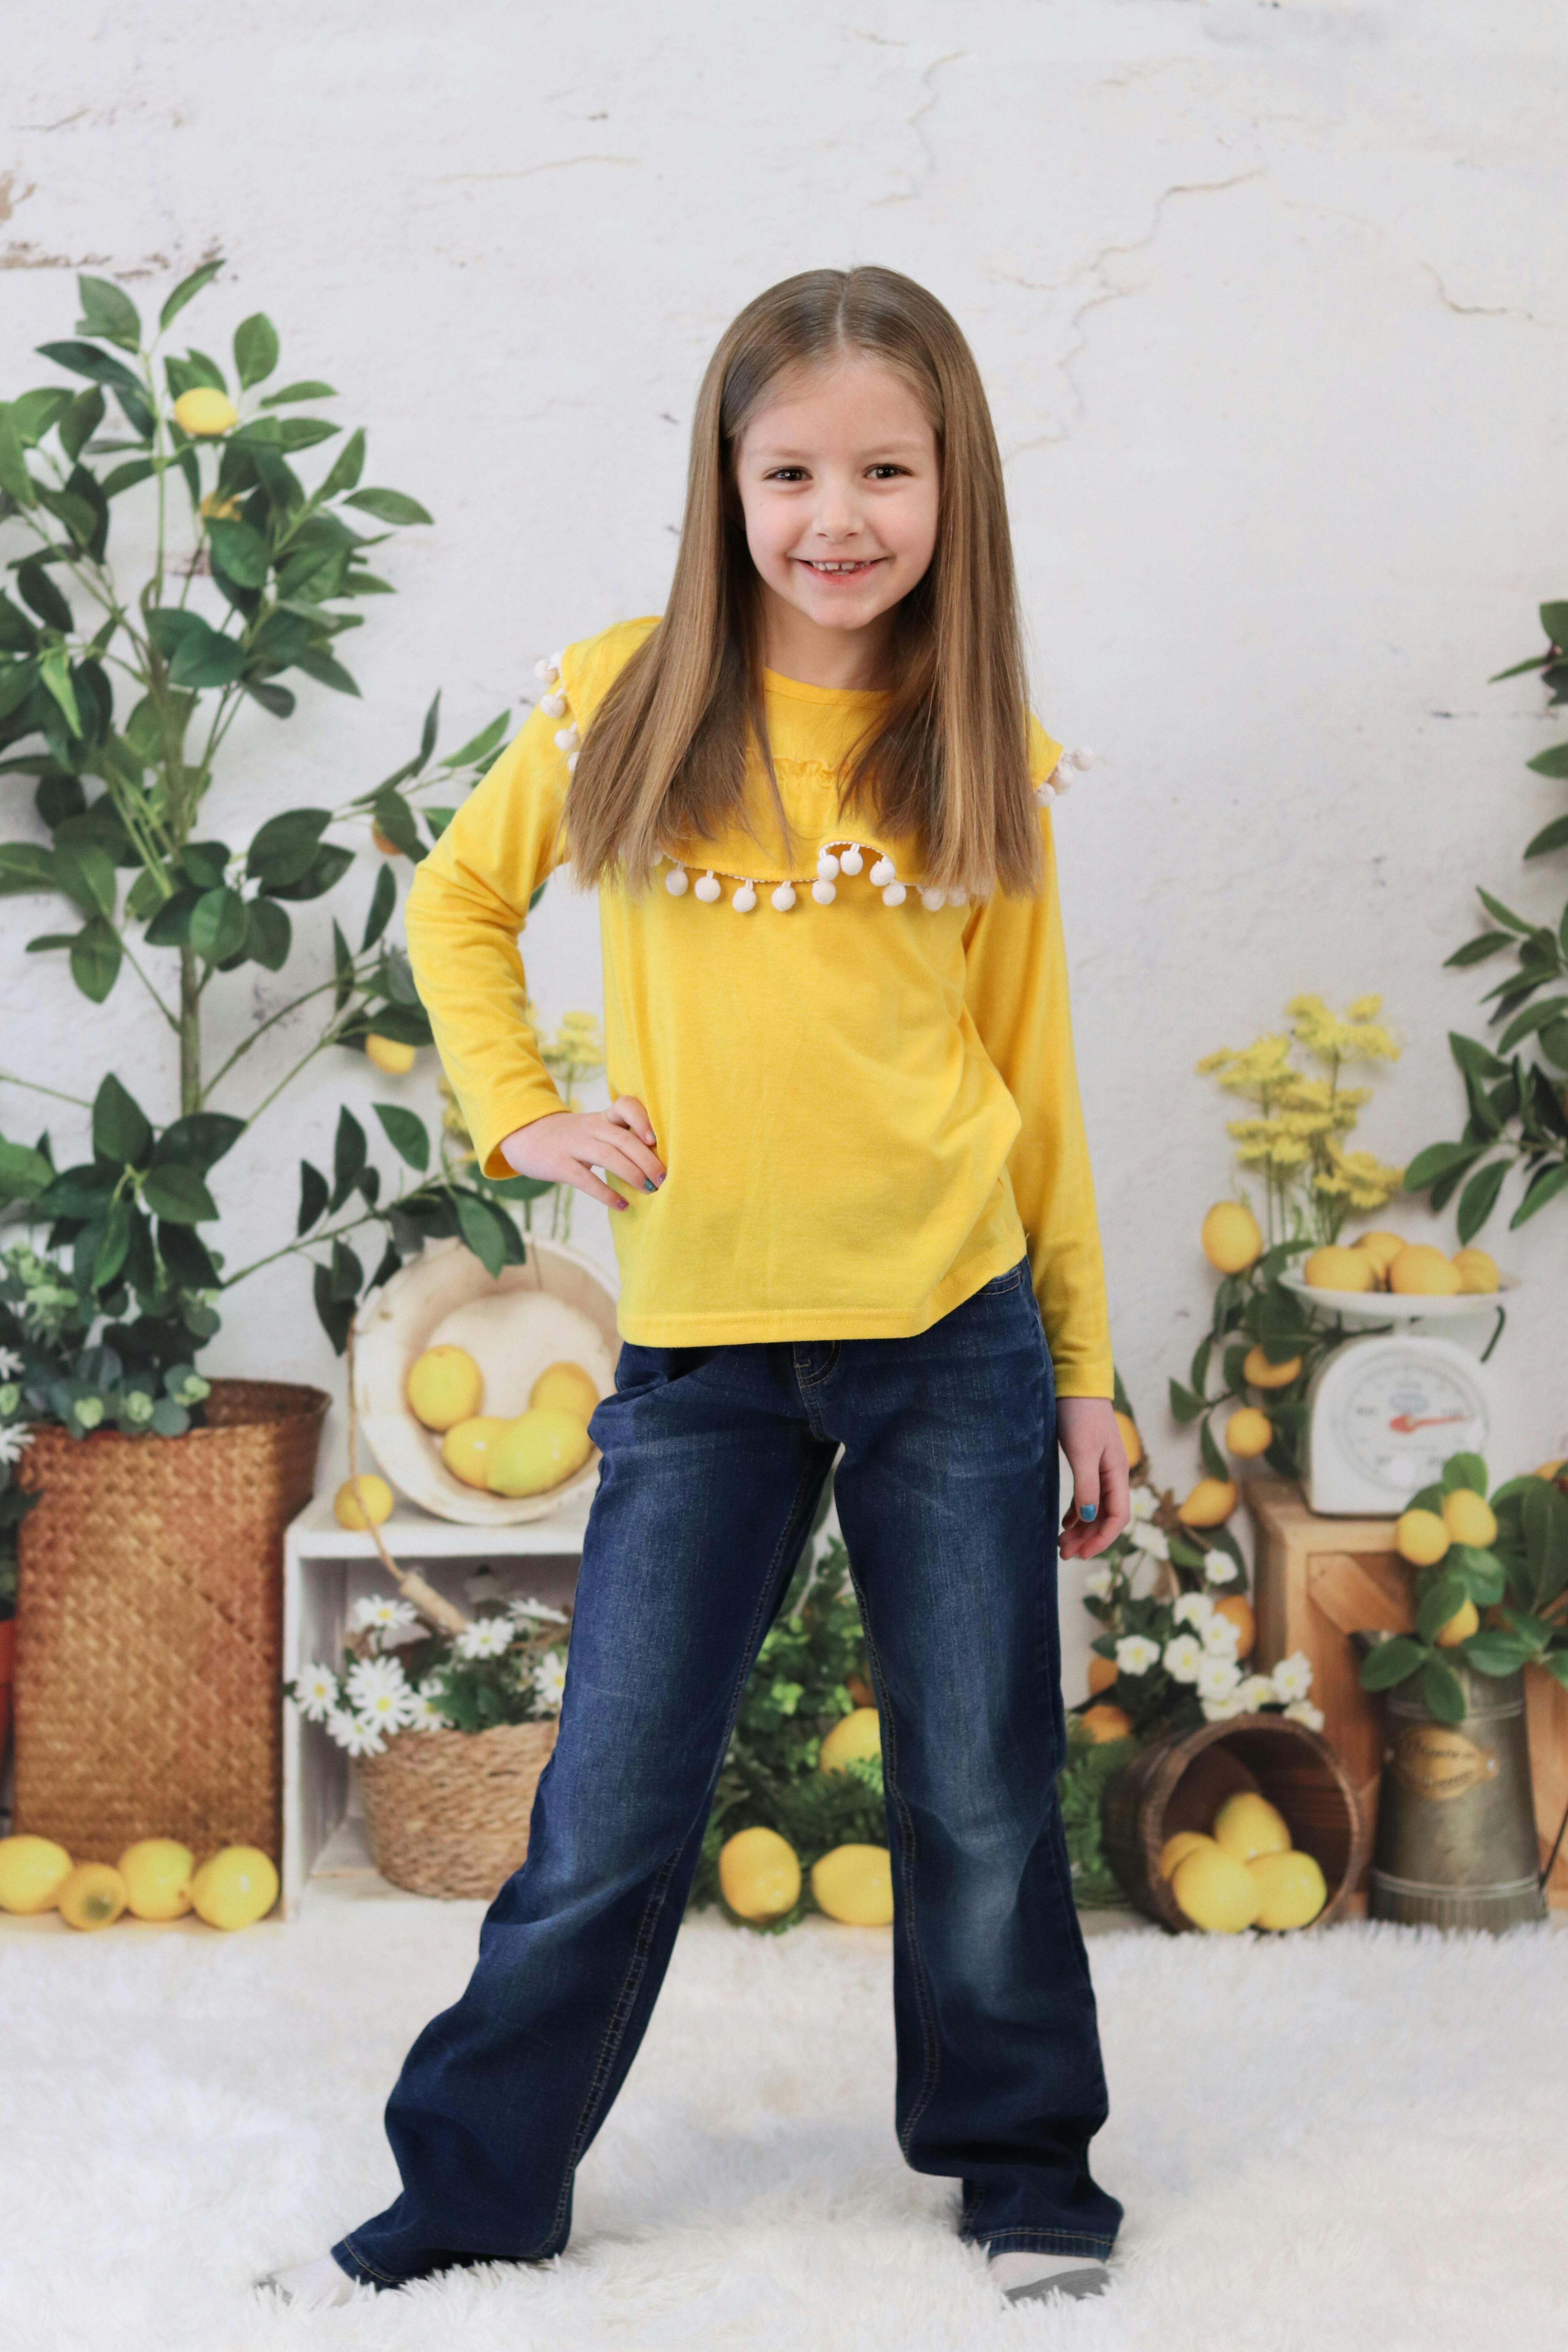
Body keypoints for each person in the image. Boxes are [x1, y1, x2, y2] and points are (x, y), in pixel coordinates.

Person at [263, 264, 1130, 2316]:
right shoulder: (628, 698)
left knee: (982, 1790)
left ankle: (1023, 2164)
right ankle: (474, 2186)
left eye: (888, 472)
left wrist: (1086, 1370)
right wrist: (524, 1118)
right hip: (707, 1355)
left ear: (955, 484)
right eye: (793, 472)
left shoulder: (976, 747)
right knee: (613, 1800)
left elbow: (1033, 1080)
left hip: (955, 1337)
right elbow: (458, 903)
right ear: (724, 484)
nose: (840, 516)